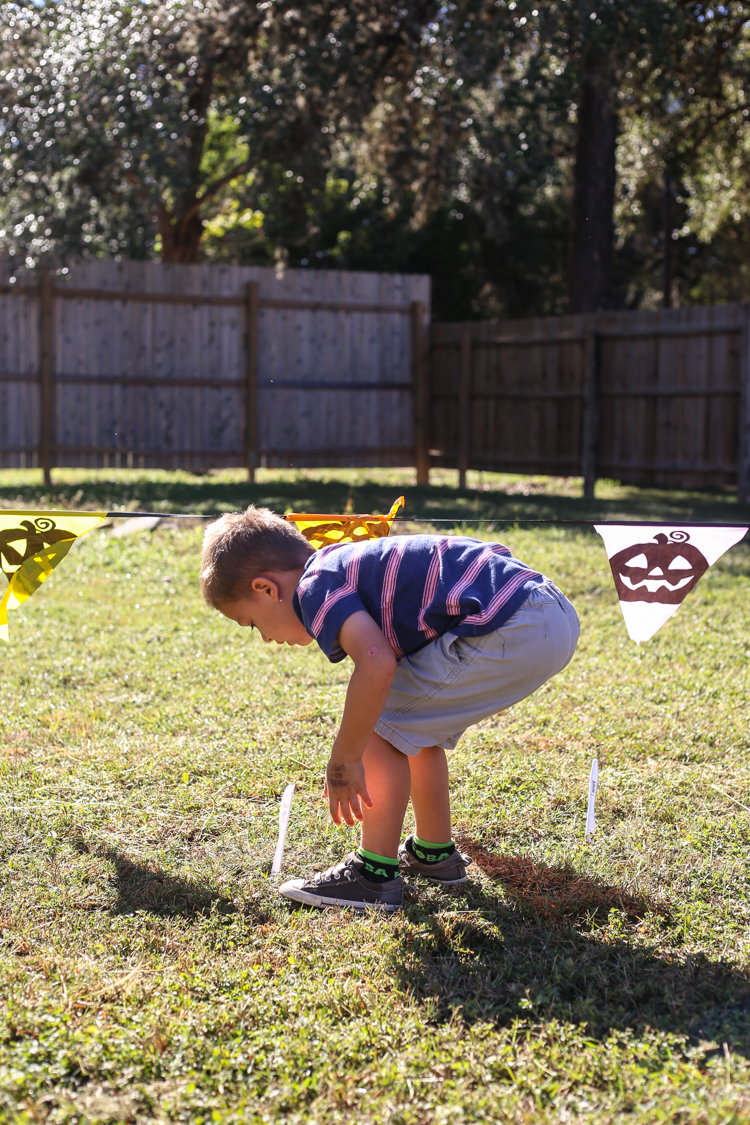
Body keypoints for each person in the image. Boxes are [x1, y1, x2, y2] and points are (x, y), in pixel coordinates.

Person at [200, 506, 579, 912]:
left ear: (266, 589)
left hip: (512, 620)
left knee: (379, 727)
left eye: (252, 624)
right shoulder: (343, 568)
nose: (264, 639)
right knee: (409, 727)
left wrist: (344, 757)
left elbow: (376, 663)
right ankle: (433, 854)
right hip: (545, 610)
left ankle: (373, 876)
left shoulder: (315, 584)